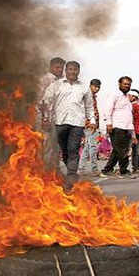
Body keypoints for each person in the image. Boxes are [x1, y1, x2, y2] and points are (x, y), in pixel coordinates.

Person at [42, 61, 96, 190]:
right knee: (62, 151)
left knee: (73, 149)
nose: (72, 72)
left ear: (78, 71)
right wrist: (45, 118)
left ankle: (71, 177)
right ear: (66, 71)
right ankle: (63, 174)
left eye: (75, 69)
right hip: (59, 122)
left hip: (77, 123)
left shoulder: (84, 87)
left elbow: (89, 106)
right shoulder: (56, 85)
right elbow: (46, 102)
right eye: (70, 69)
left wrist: (92, 120)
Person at [100, 76, 136, 179]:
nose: (127, 86)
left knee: (117, 150)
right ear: (119, 84)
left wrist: (131, 131)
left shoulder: (127, 98)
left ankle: (107, 170)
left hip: (126, 127)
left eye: (128, 84)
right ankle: (123, 171)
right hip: (117, 126)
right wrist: (109, 123)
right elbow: (108, 109)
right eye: (125, 84)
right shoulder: (114, 95)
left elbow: (129, 115)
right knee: (122, 150)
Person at [37, 57, 65, 169]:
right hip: (45, 117)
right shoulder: (45, 80)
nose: (59, 70)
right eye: (57, 67)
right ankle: (44, 172)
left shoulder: (62, 81)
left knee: (56, 147)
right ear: (51, 67)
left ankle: (54, 172)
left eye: (61, 68)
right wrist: (45, 119)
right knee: (46, 146)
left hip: (57, 118)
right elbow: (41, 101)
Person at [78, 79, 101, 176]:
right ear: (90, 85)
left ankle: (81, 169)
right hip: (89, 125)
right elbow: (84, 110)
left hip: (93, 125)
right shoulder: (86, 96)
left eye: (98, 87)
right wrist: (89, 122)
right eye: (95, 86)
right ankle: (94, 169)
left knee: (87, 148)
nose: (97, 88)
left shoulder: (93, 97)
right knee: (93, 147)